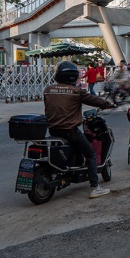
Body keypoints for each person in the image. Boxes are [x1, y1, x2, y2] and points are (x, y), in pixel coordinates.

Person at [43, 60, 114, 199]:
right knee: (91, 154)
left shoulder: (48, 90)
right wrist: (108, 104)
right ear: (73, 76)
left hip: (53, 131)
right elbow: (94, 100)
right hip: (70, 131)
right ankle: (95, 187)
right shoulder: (76, 92)